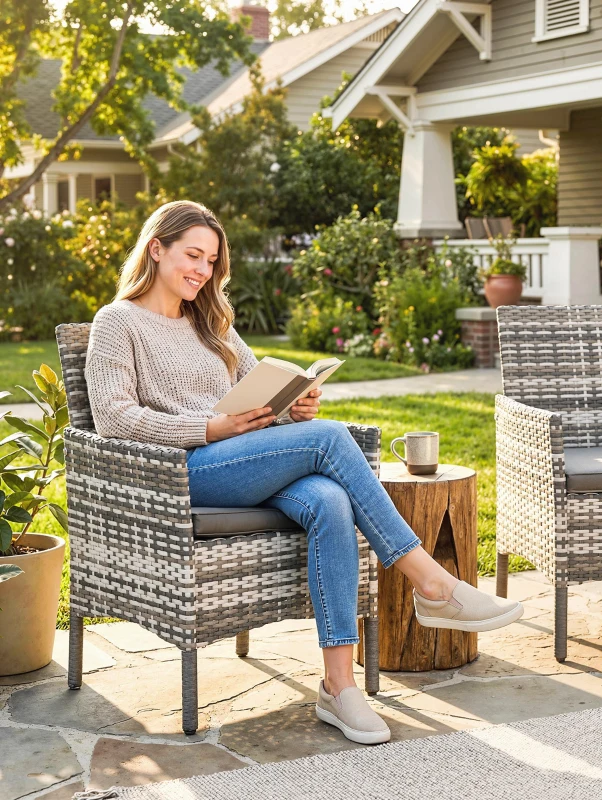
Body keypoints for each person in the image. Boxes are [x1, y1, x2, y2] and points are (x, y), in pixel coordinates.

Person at [84, 200, 524, 746]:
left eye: (210, 260)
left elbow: (259, 394)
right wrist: (211, 428)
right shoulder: (117, 322)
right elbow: (113, 418)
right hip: (179, 474)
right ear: (157, 249)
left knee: (330, 501)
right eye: (191, 255)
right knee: (333, 440)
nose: (201, 270)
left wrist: (295, 408)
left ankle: (339, 689)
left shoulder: (212, 325)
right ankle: (431, 582)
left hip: (244, 460)